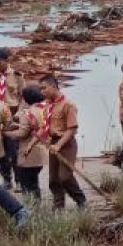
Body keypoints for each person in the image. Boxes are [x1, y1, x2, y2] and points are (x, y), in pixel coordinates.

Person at [41, 74, 87, 209]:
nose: (42, 92)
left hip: (66, 143)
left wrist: (59, 145)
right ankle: (58, 205)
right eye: (40, 89)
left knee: (65, 177)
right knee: (53, 179)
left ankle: (81, 201)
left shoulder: (68, 105)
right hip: (53, 143)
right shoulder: (48, 106)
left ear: (54, 87)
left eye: (44, 88)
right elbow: (45, 127)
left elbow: (71, 129)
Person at [6, 85, 49, 202]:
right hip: (42, 151)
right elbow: (35, 127)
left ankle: (32, 206)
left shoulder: (28, 113)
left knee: (27, 183)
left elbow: (22, 133)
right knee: (34, 182)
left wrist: (6, 134)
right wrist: (20, 126)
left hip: (29, 153)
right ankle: (37, 205)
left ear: (25, 99)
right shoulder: (44, 109)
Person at [0, 48, 25, 188]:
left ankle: (19, 180)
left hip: (13, 113)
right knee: (1, 150)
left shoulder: (17, 76)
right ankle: (6, 179)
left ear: (6, 60)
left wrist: (19, 112)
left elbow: (24, 97)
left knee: (14, 149)